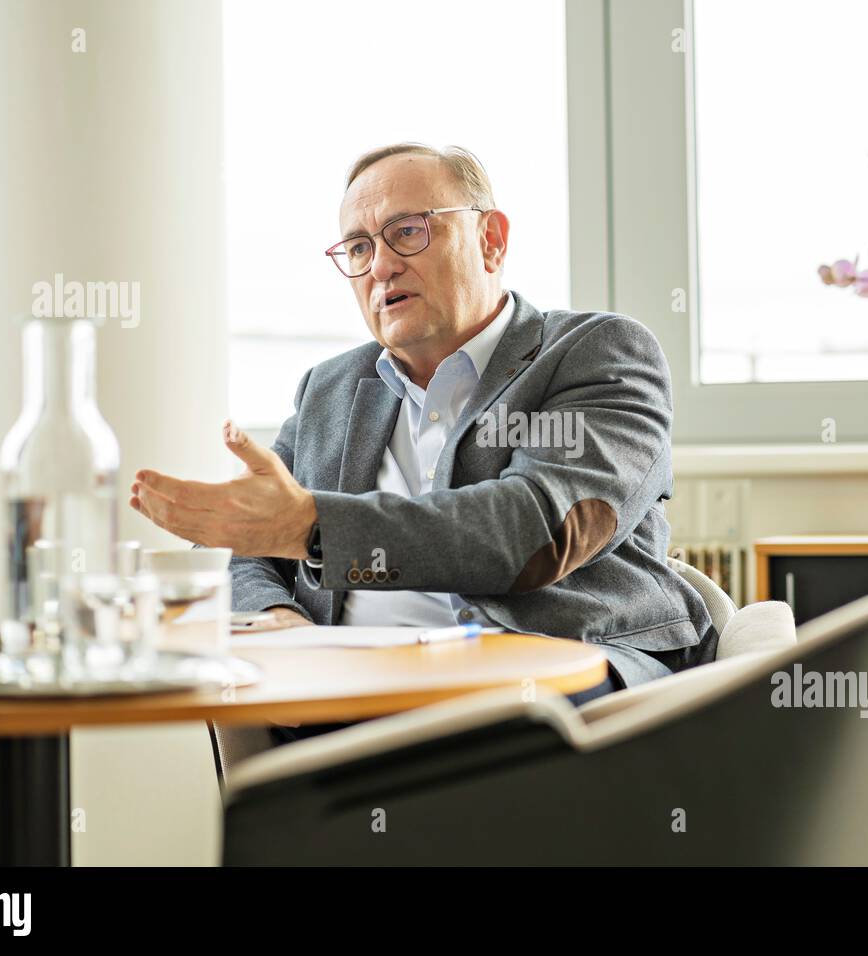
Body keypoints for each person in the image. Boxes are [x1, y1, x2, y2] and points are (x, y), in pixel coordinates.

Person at [130, 142, 718, 735]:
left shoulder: (595, 353)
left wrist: (314, 528)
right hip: (355, 693)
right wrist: (276, 615)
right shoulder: (329, 390)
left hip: (550, 682)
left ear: (491, 239)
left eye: (407, 232)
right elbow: (245, 548)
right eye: (359, 248)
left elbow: (539, 529)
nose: (381, 266)